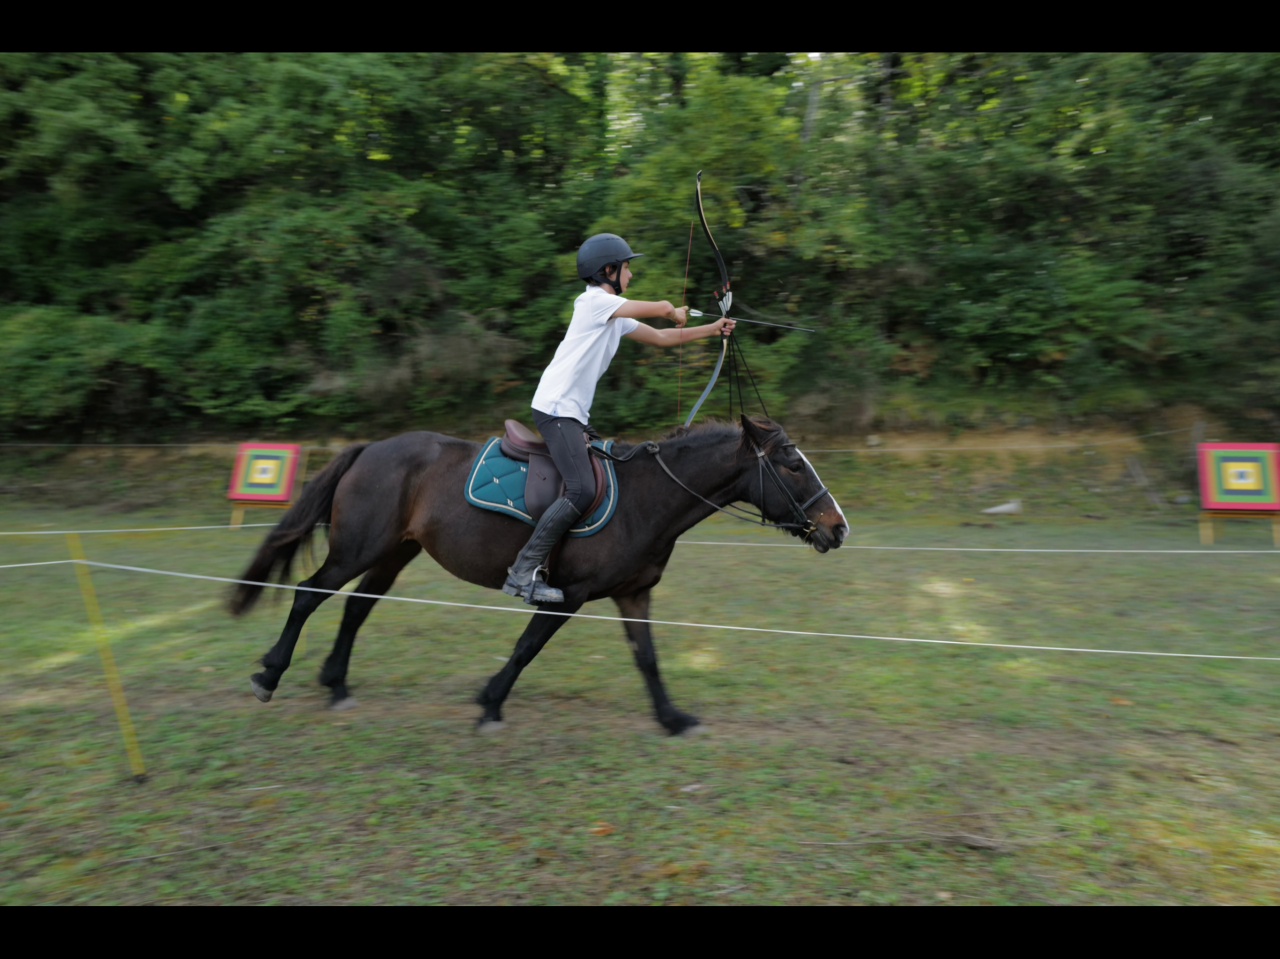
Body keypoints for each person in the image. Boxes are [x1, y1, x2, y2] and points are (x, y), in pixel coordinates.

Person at [502, 232, 736, 604]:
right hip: (555, 408)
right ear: (608, 270)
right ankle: (522, 572)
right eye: (627, 268)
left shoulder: (613, 315)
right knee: (581, 489)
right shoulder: (592, 302)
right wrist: (668, 308)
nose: (630, 275)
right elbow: (659, 311)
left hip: (572, 413)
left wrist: (711, 329)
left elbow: (663, 339)